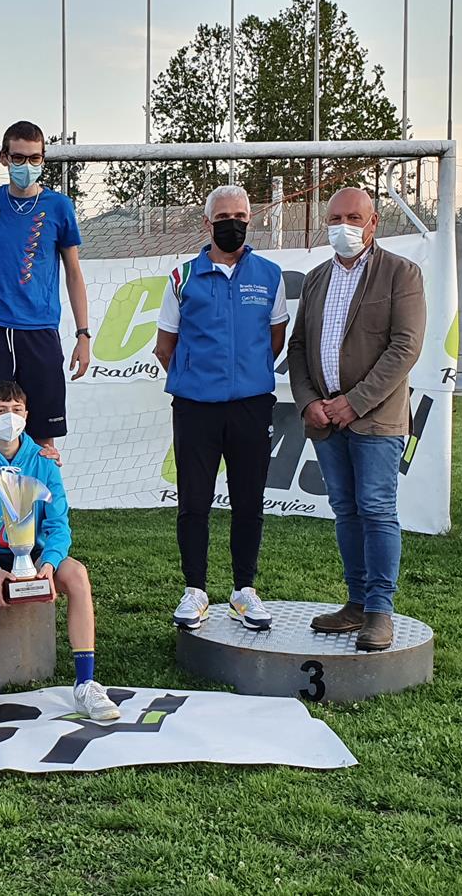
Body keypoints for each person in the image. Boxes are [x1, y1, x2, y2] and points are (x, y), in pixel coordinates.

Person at [287, 187, 426, 651]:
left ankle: (380, 610)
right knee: (345, 509)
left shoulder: (401, 274)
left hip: (376, 419)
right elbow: (299, 347)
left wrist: (356, 401)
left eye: (352, 217)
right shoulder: (316, 279)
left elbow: (405, 347)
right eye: (334, 218)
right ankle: (356, 602)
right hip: (325, 419)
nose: (342, 226)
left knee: (377, 509)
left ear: (373, 223)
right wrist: (308, 401)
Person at [153, 184, 289, 633]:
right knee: (194, 501)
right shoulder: (182, 278)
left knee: (249, 501)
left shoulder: (270, 275)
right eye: (223, 217)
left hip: (251, 407)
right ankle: (195, 590)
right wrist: (200, 380)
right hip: (195, 409)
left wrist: (243, 379)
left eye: (240, 216)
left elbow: (274, 341)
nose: (233, 224)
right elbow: (165, 347)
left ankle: (244, 591)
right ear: (207, 223)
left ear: (251, 220)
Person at [0, 381, 119, 731]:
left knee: (77, 575)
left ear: (26, 416)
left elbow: (59, 525)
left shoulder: (43, 461)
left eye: (16, 410)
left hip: (34, 555)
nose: (9, 417)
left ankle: (86, 683)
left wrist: (49, 564)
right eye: (0, 411)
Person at [0, 121, 91, 446]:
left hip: (39, 330)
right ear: (4, 158)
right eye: (19, 158)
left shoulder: (59, 206)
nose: (27, 165)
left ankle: (42, 484)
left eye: (34, 158)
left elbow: (74, 272)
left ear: (43, 159)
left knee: (43, 438)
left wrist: (83, 334)